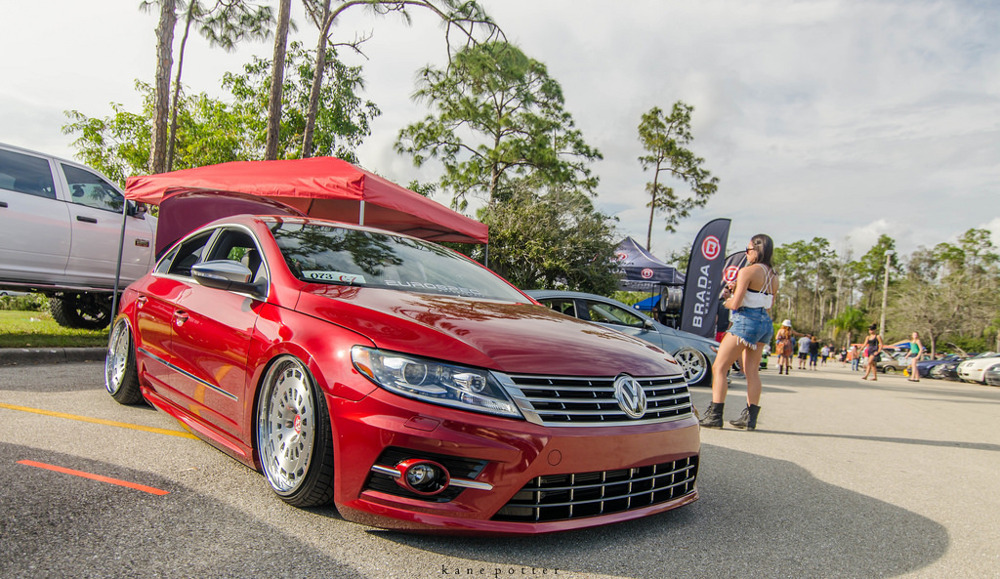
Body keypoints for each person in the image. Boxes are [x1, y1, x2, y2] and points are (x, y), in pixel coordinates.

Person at [699, 234, 778, 431]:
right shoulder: (774, 276)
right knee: (752, 372)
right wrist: (736, 292)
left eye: (749, 249)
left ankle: (715, 415)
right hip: (765, 324)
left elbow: (735, 304)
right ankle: (750, 418)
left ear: (757, 250)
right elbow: (767, 304)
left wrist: (726, 300)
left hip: (746, 322)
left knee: (719, 367)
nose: (746, 253)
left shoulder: (747, 271)